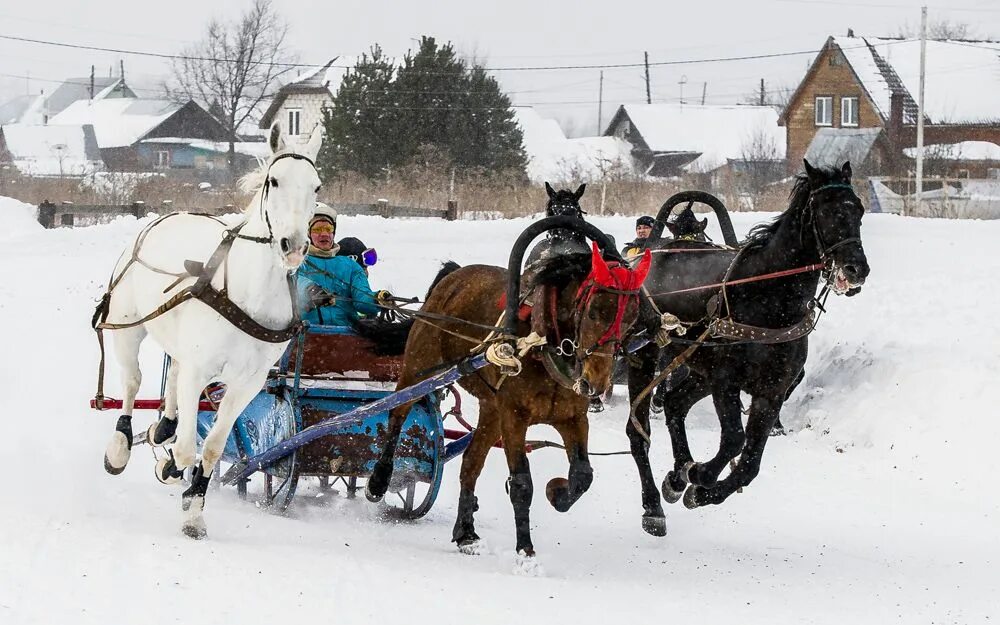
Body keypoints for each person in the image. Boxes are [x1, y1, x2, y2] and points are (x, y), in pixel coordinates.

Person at [297, 203, 390, 326]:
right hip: (308, 332)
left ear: (333, 233)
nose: (324, 234)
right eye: (317, 229)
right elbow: (295, 282)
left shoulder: (351, 266)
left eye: (328, 229)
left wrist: (377, 299)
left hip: (346, 333)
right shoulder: (298, 262)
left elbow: (361, 300)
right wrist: (310, 289)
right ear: (308, 234)